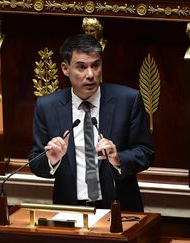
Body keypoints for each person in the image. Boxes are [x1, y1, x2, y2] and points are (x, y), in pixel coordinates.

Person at [29, 34, 154, 212]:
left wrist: (118, 159)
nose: (90, 75)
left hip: (120, 208)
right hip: (70, 210)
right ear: (65, 68)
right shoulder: (47, 106)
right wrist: (52, 160)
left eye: (95, 65)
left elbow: (145, 153)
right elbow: (35, 161)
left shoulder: (127, 100)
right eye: (81, 67)